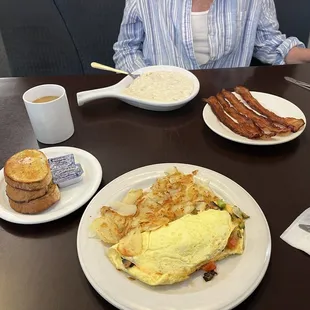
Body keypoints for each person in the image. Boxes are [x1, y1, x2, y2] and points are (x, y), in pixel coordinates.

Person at [113, 0, 310, 72]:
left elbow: (269, 43)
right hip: (159, 104)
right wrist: (146, 82)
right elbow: (126, 49)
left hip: (229, 104)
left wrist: (305, 55)